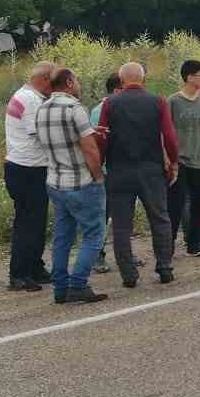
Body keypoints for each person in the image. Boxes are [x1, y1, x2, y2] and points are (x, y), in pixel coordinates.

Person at [99, 61, 179, 287]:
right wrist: (173, 162)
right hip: (151, 170)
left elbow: (102, 137)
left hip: (119, 171)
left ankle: (129, 275)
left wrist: (100, 164)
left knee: (122, 226)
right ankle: (164, 267)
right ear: (143, 80)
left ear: (122, 80)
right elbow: (170, 137)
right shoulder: (157, 102)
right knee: (160, 219)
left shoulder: (110, 103)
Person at [36, 68, 108, 304]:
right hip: (80, 182)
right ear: (68, 82)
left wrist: (89, 130)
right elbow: (89, 149)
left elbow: (60, 138)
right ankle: (78, 283)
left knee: (62, 237)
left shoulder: (42, 109)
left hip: (55, 181)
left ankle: (60, 287)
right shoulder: (75, 108)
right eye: (76, 80)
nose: (78, 85)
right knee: (93, 234)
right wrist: (98, 176)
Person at [2, 59, 57, 292]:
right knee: (28, 223)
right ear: (44, 79)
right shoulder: (31, 100)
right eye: (53, 83)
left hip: (24, 166)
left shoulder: (26, 95)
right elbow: (42, 134)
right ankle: (19, 273)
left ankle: (35, 266)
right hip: (28, 169)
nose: (54, 88)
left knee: (36, 221)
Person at [167, 61, 200, 258]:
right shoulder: (172, 101)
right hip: (179, 161)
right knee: (175, 205)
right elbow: (165, 131)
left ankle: (194, 243)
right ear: (189, 77)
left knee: (198, 204)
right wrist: (167, 158)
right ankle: (168, 245)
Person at [89, 73, 122, 275]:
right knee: (102, 215)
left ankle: (123, 254)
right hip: (107, 172)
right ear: (117, 90)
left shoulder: (120, 106)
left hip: (121, 170)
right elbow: (96, 142)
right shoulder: (99, 110)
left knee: (122, 215)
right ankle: (97, 256)